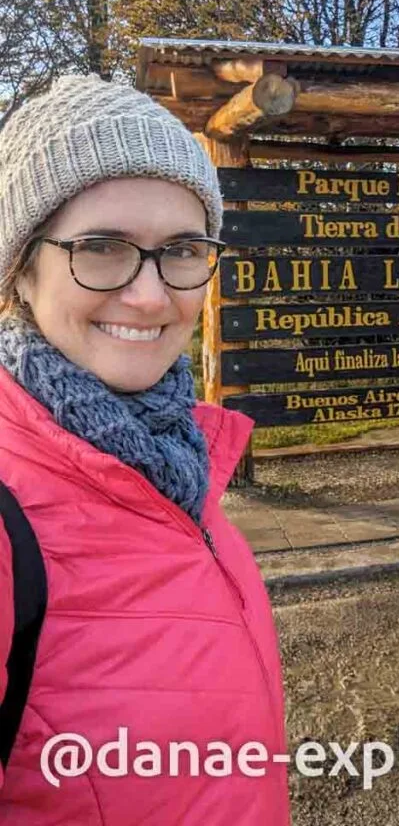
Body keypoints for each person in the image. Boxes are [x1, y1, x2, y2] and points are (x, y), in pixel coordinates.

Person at [0, 75, 290, 824]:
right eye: (102, 248)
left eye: (183, 251)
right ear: (21, 273)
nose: (153, 296)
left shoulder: (176, 462)